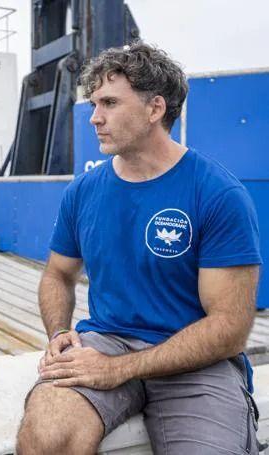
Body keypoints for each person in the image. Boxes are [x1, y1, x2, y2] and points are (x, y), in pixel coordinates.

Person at [16, 42, 262, 454]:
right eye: (94, 103)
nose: (95, 118)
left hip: (195, 360)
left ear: (155, 109)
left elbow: (229, 328)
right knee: (46, 437)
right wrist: (59, 331)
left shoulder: (217, 194)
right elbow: (58, 274)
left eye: (109, 103)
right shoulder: (83, 191)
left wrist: (119, 369)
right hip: (106, 341)